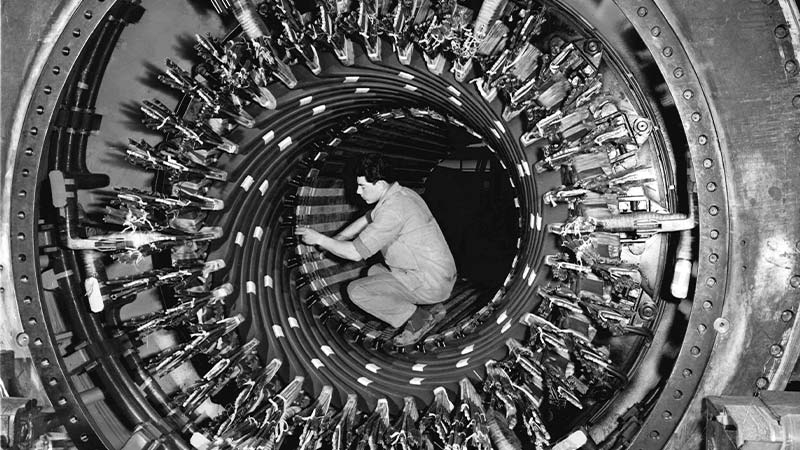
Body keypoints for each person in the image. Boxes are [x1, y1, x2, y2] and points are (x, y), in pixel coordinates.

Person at [295, 153, 457, 346]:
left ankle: (418, 318)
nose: (357, 191)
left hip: (429, 283)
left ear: (380, 185)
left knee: (357, 291)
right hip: (440, 276)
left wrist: (319, 238)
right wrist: (334, 240)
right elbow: (365, 220)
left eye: (362, 186)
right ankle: (430, 307)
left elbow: (355, 254)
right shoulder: (401, 194)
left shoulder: (392, 211)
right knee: (373, 272)